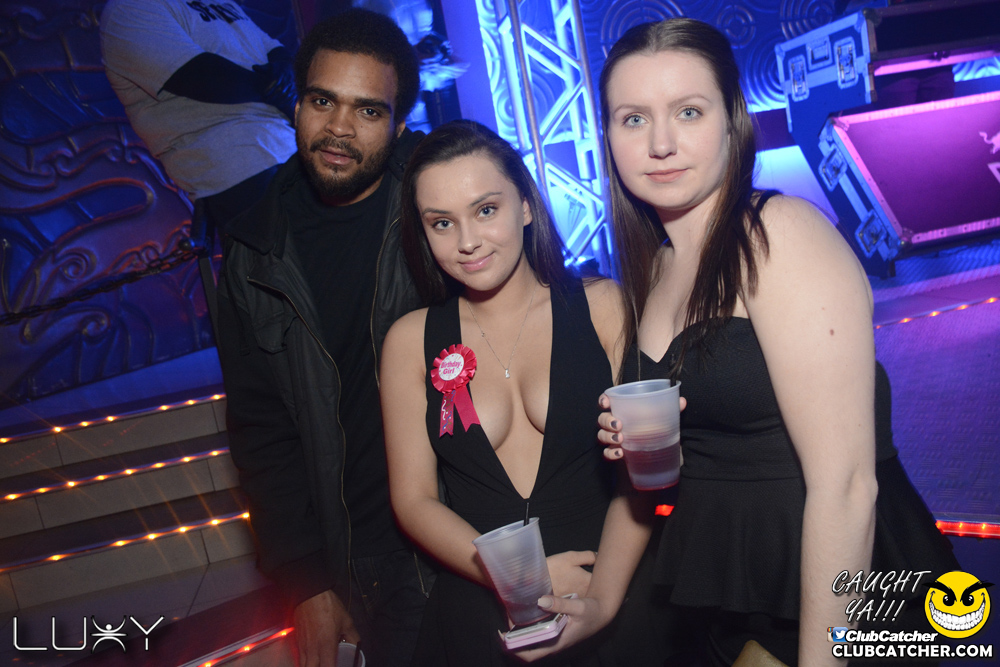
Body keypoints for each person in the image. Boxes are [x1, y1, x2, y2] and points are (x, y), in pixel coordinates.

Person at [518, 18, 958, 667]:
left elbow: (846, 486)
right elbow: (678, 461)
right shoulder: (657, 269)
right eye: (633, 119)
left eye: (688, 112)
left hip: (839, 590)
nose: (660, 143)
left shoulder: (777, 234)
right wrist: (605, 595)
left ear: (732, 120)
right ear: (607, 136)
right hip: (736, 582)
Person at [379, 120, 668, 665]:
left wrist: (604, 600)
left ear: (527, 206)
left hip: (605, 582)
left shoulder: (603, 306)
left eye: (486, 209)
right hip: (480, 608)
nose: (467, 241)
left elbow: (642, 473)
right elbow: (413, 501)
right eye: (442, 223)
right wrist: (518, 577)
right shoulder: (409, 341)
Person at [215, 10, 433, 667]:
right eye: (321, 101)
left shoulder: (439, 208)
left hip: (469, 538)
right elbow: (261, 430)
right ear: (296, 105)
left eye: (368, 110)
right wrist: (305, 580)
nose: (339, 128)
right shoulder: (254, 250)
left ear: (399, 126)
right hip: (359, 568)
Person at [100, 0, 297, 230]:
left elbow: (274, 50)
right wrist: (274, 87)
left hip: (286, 145)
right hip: (237, 163)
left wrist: (285, 74)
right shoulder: (130, 8)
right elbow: (201, 78)